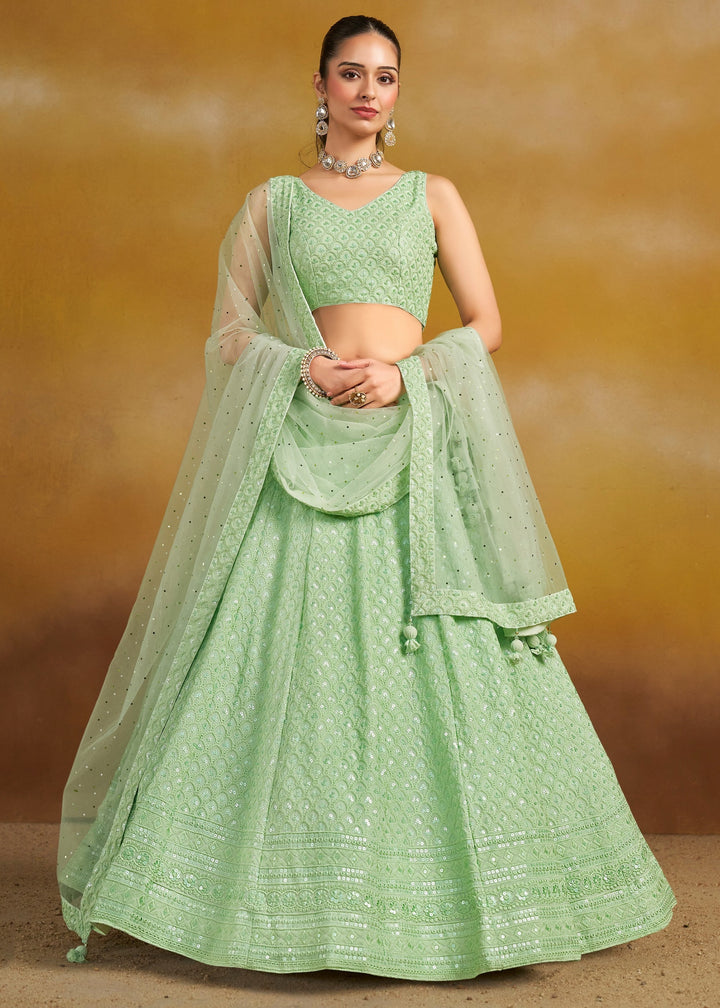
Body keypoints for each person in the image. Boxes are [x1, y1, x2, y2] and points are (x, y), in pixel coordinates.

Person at [58, 15, 674, 981]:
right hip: (298, 444)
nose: (368, 92)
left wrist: (405, 377)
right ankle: (260, 896)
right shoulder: (272, 203)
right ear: (320, 86)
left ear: (397, 93)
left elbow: (486, 322)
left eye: (385, 77)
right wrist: (301, 367)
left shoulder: (434, 197)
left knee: (443, 660)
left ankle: (453, 901)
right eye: (351, 74)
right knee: (269, 663)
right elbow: (230, 333)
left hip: (409, 440)